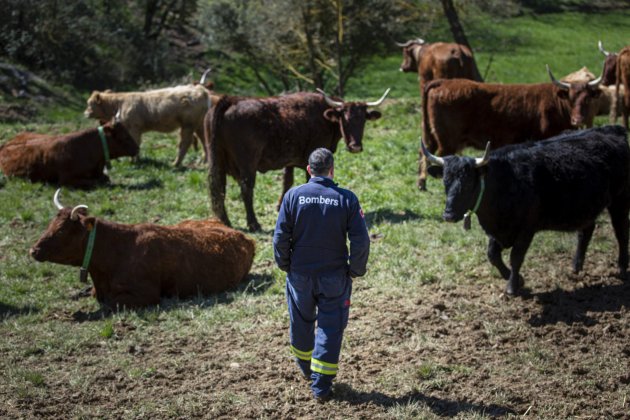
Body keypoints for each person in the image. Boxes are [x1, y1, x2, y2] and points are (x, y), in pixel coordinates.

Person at [273, 147, 370, 402]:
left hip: (300, 275)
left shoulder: (293, 195)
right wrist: (355, 270)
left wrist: (285, 264)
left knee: (301, 322)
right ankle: (321, 386)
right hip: (334, 277)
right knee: (330, 326)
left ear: (308, 170)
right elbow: (361, 241)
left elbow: (280, 236)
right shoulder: (347, 198)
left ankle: (306, 369)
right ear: (332, 170)